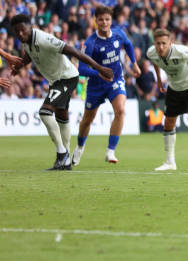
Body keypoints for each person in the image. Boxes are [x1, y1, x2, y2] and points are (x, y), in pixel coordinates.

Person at [7, 14, 113, 170]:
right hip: (56, 80)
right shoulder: (26, 41)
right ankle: (66, 161)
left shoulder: (44, 38)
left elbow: (73, 51)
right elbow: (30, 54)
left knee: (44, 112)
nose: (20, 34)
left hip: (67, 77)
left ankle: (62, 154)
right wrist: (20, 66)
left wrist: (99, 68)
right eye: (17, 32)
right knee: (62, 116)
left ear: (30, 26)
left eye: (23, 30)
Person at [72, 6, 141, 166]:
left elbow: (128, 45)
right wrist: (99, 74)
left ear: (111, 20)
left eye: (107, 19)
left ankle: (110, 151)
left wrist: (134, 63)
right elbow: (82, 69)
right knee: (87, 120)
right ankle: (80, 147)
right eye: (101, 19)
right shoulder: (90, 43)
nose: (104, 22)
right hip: (96, 85)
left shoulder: (119, 33)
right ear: (95, 21)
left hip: (115, 81)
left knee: (120, 110)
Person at [147, 28, 188, 173]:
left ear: (170, 43)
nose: (160, 47)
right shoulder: (151, 52)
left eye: (163, 43)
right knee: (168, 123)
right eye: (158, 43)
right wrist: (159, 80)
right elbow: (155, 60)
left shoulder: (181, 51)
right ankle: (169, 162)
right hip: (174, 88)